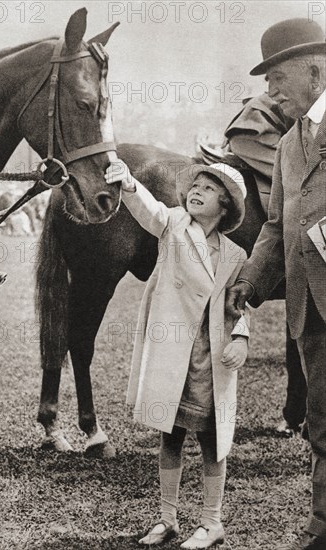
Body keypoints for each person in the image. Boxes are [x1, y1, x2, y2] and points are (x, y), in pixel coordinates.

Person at [106, 160, 250, 548]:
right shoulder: (173, 225)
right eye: (194, 186)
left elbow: (239, 305)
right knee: (169, 435)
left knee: (211, 440)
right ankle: (167, 518)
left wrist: (240, 339)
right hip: (173, 354)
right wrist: (128, 182)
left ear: (226, 204)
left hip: (209, 358)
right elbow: (147, 209)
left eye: (207, 188)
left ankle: (212, 521)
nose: (196, 191)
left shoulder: (235, 255)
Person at [226, 18, 326, 550]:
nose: (270, 91)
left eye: (277, 77)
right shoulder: (289, 144)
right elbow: (273, 225)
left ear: (314, 71)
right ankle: (320, 527)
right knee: (321, 417)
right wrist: (249, 283)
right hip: (310, 309)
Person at [224, 93, 306, 436]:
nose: (273, 84)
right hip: (257, 134)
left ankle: (298, 412)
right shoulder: (271, 114)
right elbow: (275, 228)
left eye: (278, 77)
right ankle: (298, 413)